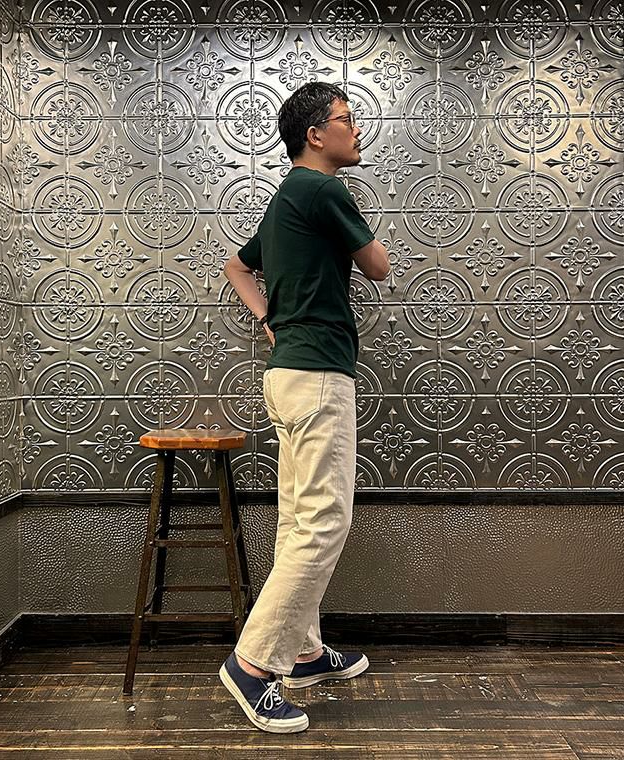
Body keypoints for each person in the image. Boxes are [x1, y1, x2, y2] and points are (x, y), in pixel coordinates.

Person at [219, 81, 390, 733]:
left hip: (288, 373)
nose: (356, 129)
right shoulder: (322, 189)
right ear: (316, 135)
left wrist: (270, 318)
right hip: (318, 374)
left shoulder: (285, 197)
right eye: (347, 119)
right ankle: (254, 665)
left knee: (298, 520)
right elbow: (378, 266)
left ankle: (304, 651)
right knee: (323, 521)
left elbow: (236, 267)